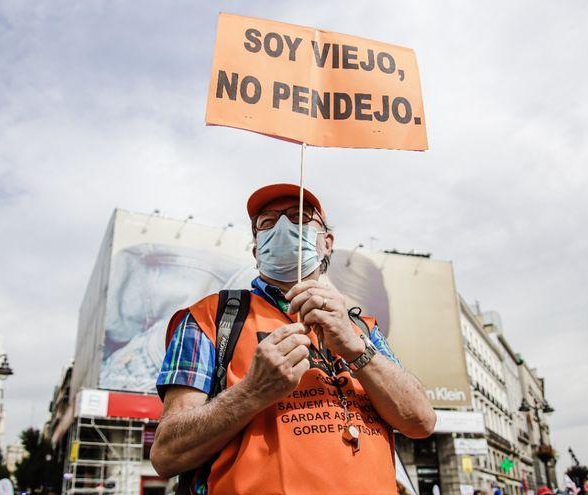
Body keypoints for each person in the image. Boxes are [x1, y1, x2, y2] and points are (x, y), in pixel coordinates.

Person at [151, 184, 437, 494]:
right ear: (257, 250)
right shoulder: (210, 317)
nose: (283, 227)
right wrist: (251, 392)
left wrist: (356, 349)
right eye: (267, 222)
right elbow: (167, 455)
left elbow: (420, 421)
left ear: (326, 243)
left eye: (298, 217)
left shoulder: (363, 328)